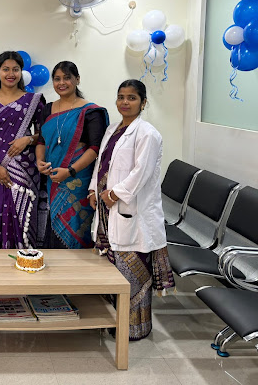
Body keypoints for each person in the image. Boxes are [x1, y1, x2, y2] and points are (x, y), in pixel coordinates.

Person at [88, 79, 175, 341]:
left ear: (143, 102)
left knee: (132, 276)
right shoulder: (112, 129)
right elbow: (102, 164)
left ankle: (135, 329)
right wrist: (93, 190)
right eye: (121, 97)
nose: (125, 102)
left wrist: (115, 194)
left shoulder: (148, 133)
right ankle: (112, 322)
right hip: (107, 210)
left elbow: (142, 172)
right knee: (112, 271)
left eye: (132, 98)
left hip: (131, 211)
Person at [36, 61, 108, 249]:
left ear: (77, 79)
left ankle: (77, 267)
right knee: (53, 225)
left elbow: (95, 149)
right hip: (53, 178)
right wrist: (39, 161)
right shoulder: (48, 109)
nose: (62, 83)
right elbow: (41, 140)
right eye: (57, 79)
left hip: (78, 181)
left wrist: (70, 171)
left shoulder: (91, 111)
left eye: (67, 78)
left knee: (77, 228)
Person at [0, 51, 45, 250]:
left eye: (15, 69)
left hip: (25, 168)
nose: (10, 74)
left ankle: (26, 260)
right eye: (6, 69)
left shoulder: (33, 100)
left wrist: (28, 139)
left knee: (24, 217)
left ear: (21, 72)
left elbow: (43, 135)